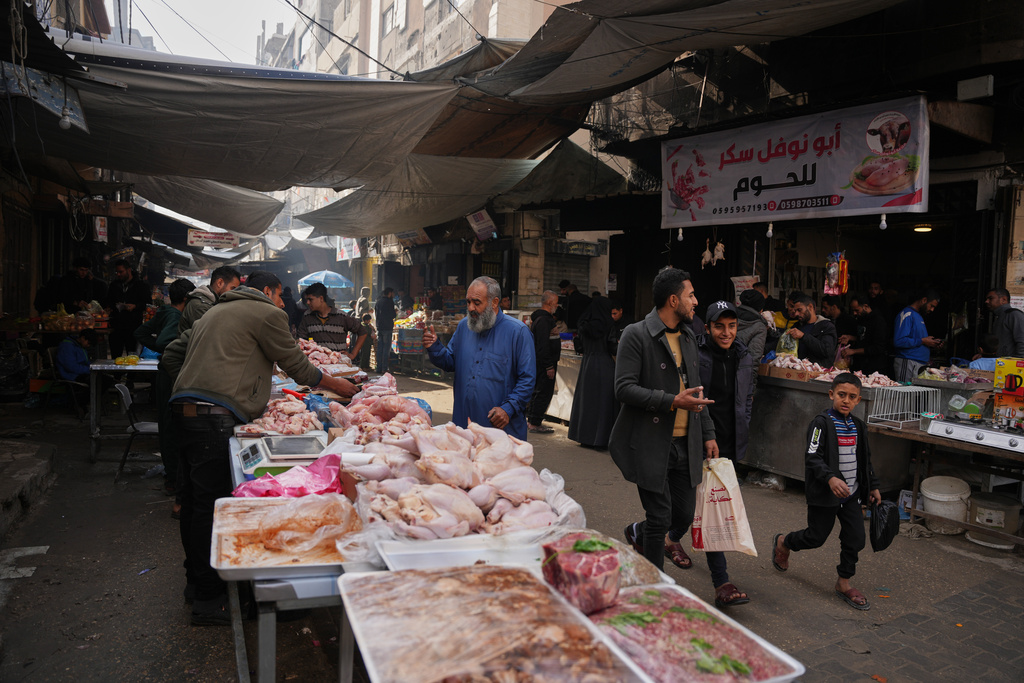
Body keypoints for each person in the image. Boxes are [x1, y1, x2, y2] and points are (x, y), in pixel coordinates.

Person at [161, 271, 357, 626]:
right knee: (210, 505)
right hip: (213, 418)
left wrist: (192, 386)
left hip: (184, 411)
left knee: (193, 500)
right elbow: (297, 366)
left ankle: (196, 583)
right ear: (267, 292)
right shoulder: (268, 313)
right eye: (281, 295)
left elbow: (172, 353)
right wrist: (339, 386)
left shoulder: (213, 312)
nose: (284, 304)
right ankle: (209, 599)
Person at [611, 268, 716, 572]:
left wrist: (708, 432)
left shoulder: (688, 336)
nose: (696, 301)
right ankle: (654, 586)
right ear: (673, 300)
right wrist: (671, 401)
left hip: (687, 442)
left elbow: (696, 390)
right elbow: (623, 388)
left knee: (682, 515)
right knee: (659, 517)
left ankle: (637, 533)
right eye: (691, 295)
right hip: (650, 442)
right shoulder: (636, 334)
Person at [665, 301, 755, 608]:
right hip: (698, 438)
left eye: (732, 326)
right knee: (705, 507)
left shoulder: (744, 354)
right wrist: (705, 434)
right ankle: (722, 582)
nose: (726, 332)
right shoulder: (695, 352)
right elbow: (695, 395)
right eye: (720, 326)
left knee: (710, 504)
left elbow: (746, 397)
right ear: (708, 327)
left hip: (729, 441)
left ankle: (670, 537)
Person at [771, 372, 881, 611]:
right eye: (841, 395)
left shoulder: (859, 427)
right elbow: (813, 457)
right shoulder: (821, 424)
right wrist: (830, 478)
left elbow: (866, 460)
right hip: (825, 494)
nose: (846, 400)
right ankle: (784, 542)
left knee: (855, 539)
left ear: (858, 400)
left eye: (852, 397)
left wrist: (873, 485)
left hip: (851, 494)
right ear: (831, 394)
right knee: (815, 537)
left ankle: (843, 582)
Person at [423, 276, 536, 439]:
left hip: (500, 430)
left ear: (494, 303)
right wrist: (434, 347)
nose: (470, 308)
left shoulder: (518, 332)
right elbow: (450, 361)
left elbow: (528, 379)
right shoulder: (464, 327)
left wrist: (508, 408)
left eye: (477, 303)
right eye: (468, 302)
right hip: (464, 426)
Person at [135, 278, 195, 502]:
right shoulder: (175, 316)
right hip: (170, 374)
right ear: (188, 299)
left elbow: (140, 333)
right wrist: (164, 349)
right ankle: (172, 479)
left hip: (163, 373)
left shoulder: (164, 312)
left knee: (167, 424)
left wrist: (158, 349)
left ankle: (172, 476)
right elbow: (165, 339)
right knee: (171, 427)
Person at [568, 295, 619, 449]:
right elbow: (612, 347)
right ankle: (602, 439)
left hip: (587, 366)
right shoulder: (608, 324)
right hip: (605, 365)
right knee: (604, 403)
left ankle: (585, 437)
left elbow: (579, 347)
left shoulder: (584, 324)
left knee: (587, 402)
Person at [296, 282, 367, 358]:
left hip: (339, 365)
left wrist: (353, 354)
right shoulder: (307, 316)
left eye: (310, 299)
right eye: (307, 300)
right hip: (317, 365)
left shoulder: (341, 316)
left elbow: (362, 331)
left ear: (321, 299)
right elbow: (301, 340)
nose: (308, 302)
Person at [526, 291, 560, 434]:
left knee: (540, 391)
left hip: (543, 362)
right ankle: (534, 422)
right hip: (544, 363)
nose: (557, 306)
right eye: (556, 303)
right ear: (550, 303)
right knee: (542, 391)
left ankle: (533, 420)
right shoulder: (544, 321)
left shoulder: (541, 319)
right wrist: (549, 366)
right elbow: (543, 345)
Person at [104, 259, 151, 358]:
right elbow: (109, 302)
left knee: (132, 356)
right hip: (116, 327)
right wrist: (109, 308)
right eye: (117, 272)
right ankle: (117, 374)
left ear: (129, 270)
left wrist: (135, 306)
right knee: (116, 357)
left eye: (121, 272)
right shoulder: (114, 285)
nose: (118, 274)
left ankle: (131, 374)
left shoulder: (141, 285)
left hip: (133, 327)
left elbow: (148, 304)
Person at [893, 289, 941, 382]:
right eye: (931, 306)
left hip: (919, 365)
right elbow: (899, 341)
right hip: (908, 363)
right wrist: (923, 341)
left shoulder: (918, 316)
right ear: (924, 300)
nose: (932, 309)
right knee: (905, 393)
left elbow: (919, 340)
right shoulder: (907, 314)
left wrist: (931, 343)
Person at [178, 266, 242, 335]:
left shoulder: (213, 302)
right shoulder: (200, 305)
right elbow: (214, 335)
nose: (235, 293)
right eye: (232, 288)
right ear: (220, 283)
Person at [840, 293, 889, 376]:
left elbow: (877, 347)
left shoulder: (878, 321)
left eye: (857, 310)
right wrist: (850, 338)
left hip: (874, 368)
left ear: (865, 306)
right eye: (853, 311)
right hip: (859, 366)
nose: (855, 313)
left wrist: (854, 351)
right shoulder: (860, 319)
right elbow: (864, 337)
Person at [789, 294, 837, 367]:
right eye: (795, 311)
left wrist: (803, 336)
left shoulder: (827, 326)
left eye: (799, 310)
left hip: (817, 372)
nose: (796, 314)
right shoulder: (797, 326)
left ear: (810, 307)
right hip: (798, 371)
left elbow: (826, 351)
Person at [984, 288, 1024, 357]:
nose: (986, 301)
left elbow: (1022, 341)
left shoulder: (1014, 315)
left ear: (1003, 300)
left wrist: (1016, 362)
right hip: (1001, 363)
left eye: (990, 298)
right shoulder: (999, 316)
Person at [736, 288, 769, 362]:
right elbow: (753, 358)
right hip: (741, 370)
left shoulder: (729, 316)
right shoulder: (760, 327)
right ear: (761, 310)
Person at [374, 287, 397, 374]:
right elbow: (392, 315)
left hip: (380, 327)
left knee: (380, 348)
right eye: (393, 293)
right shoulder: (389, 302)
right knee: (386, 349)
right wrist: (395, 312)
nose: (393, 295)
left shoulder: (378, 302)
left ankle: (379, 367)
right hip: (387, 328)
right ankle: (384, 368)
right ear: (390, 293)